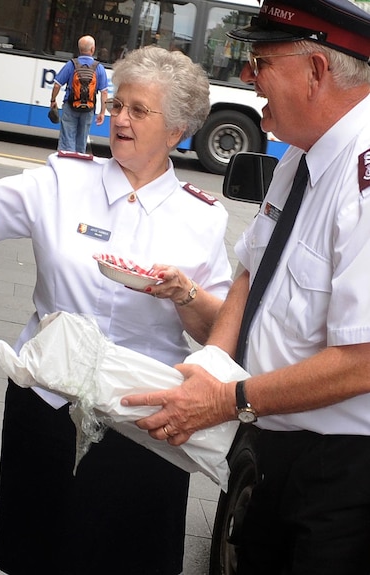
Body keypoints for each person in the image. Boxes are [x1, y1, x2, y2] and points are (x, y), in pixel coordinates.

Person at [0, 45, 233, 575]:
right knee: (36, 553)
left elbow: (217, 327)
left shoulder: (203, 218)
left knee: (127, 559)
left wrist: (184, 293)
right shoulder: (65, 179)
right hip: (48, 402)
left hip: (145, 416)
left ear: (176, 130)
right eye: (117, 104)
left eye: (138, 110)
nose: (119, 118)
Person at [121, 0, 370, 573]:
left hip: (341, 473)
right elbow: (251, 271)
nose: (247, 77)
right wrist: (210, 364)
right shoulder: (301, 157)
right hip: (270, 435)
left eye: (260, 61)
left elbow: (361, 361)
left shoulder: (362, 180)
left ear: (316, 71)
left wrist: (226, 399)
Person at [50, 35, 109, 154]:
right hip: (88, 109)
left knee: (67, 138)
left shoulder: (71, 64)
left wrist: (53, 100)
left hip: (70, 106)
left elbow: (57, 85)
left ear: (79, 49)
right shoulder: (99, 68)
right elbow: (104, 92)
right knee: (82, 141)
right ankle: (78, 164)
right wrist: (102, 112)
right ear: (92, 49)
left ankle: (66, 164)